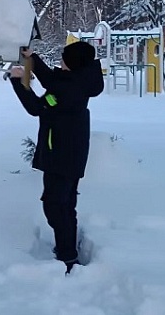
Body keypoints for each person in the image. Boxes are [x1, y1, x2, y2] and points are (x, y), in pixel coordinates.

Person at [8, 41, 104, 273]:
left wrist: (18, 81)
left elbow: (38, 107)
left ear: (73, 63)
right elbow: (52, 81)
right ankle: (67, 248)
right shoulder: (80, 79)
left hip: (60, 155)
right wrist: (32, 58)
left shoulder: (68, 90)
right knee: (66, 204)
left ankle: (68, 256)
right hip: (71, 153)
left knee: (55, 206)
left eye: (64, 58)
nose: (60, 61)